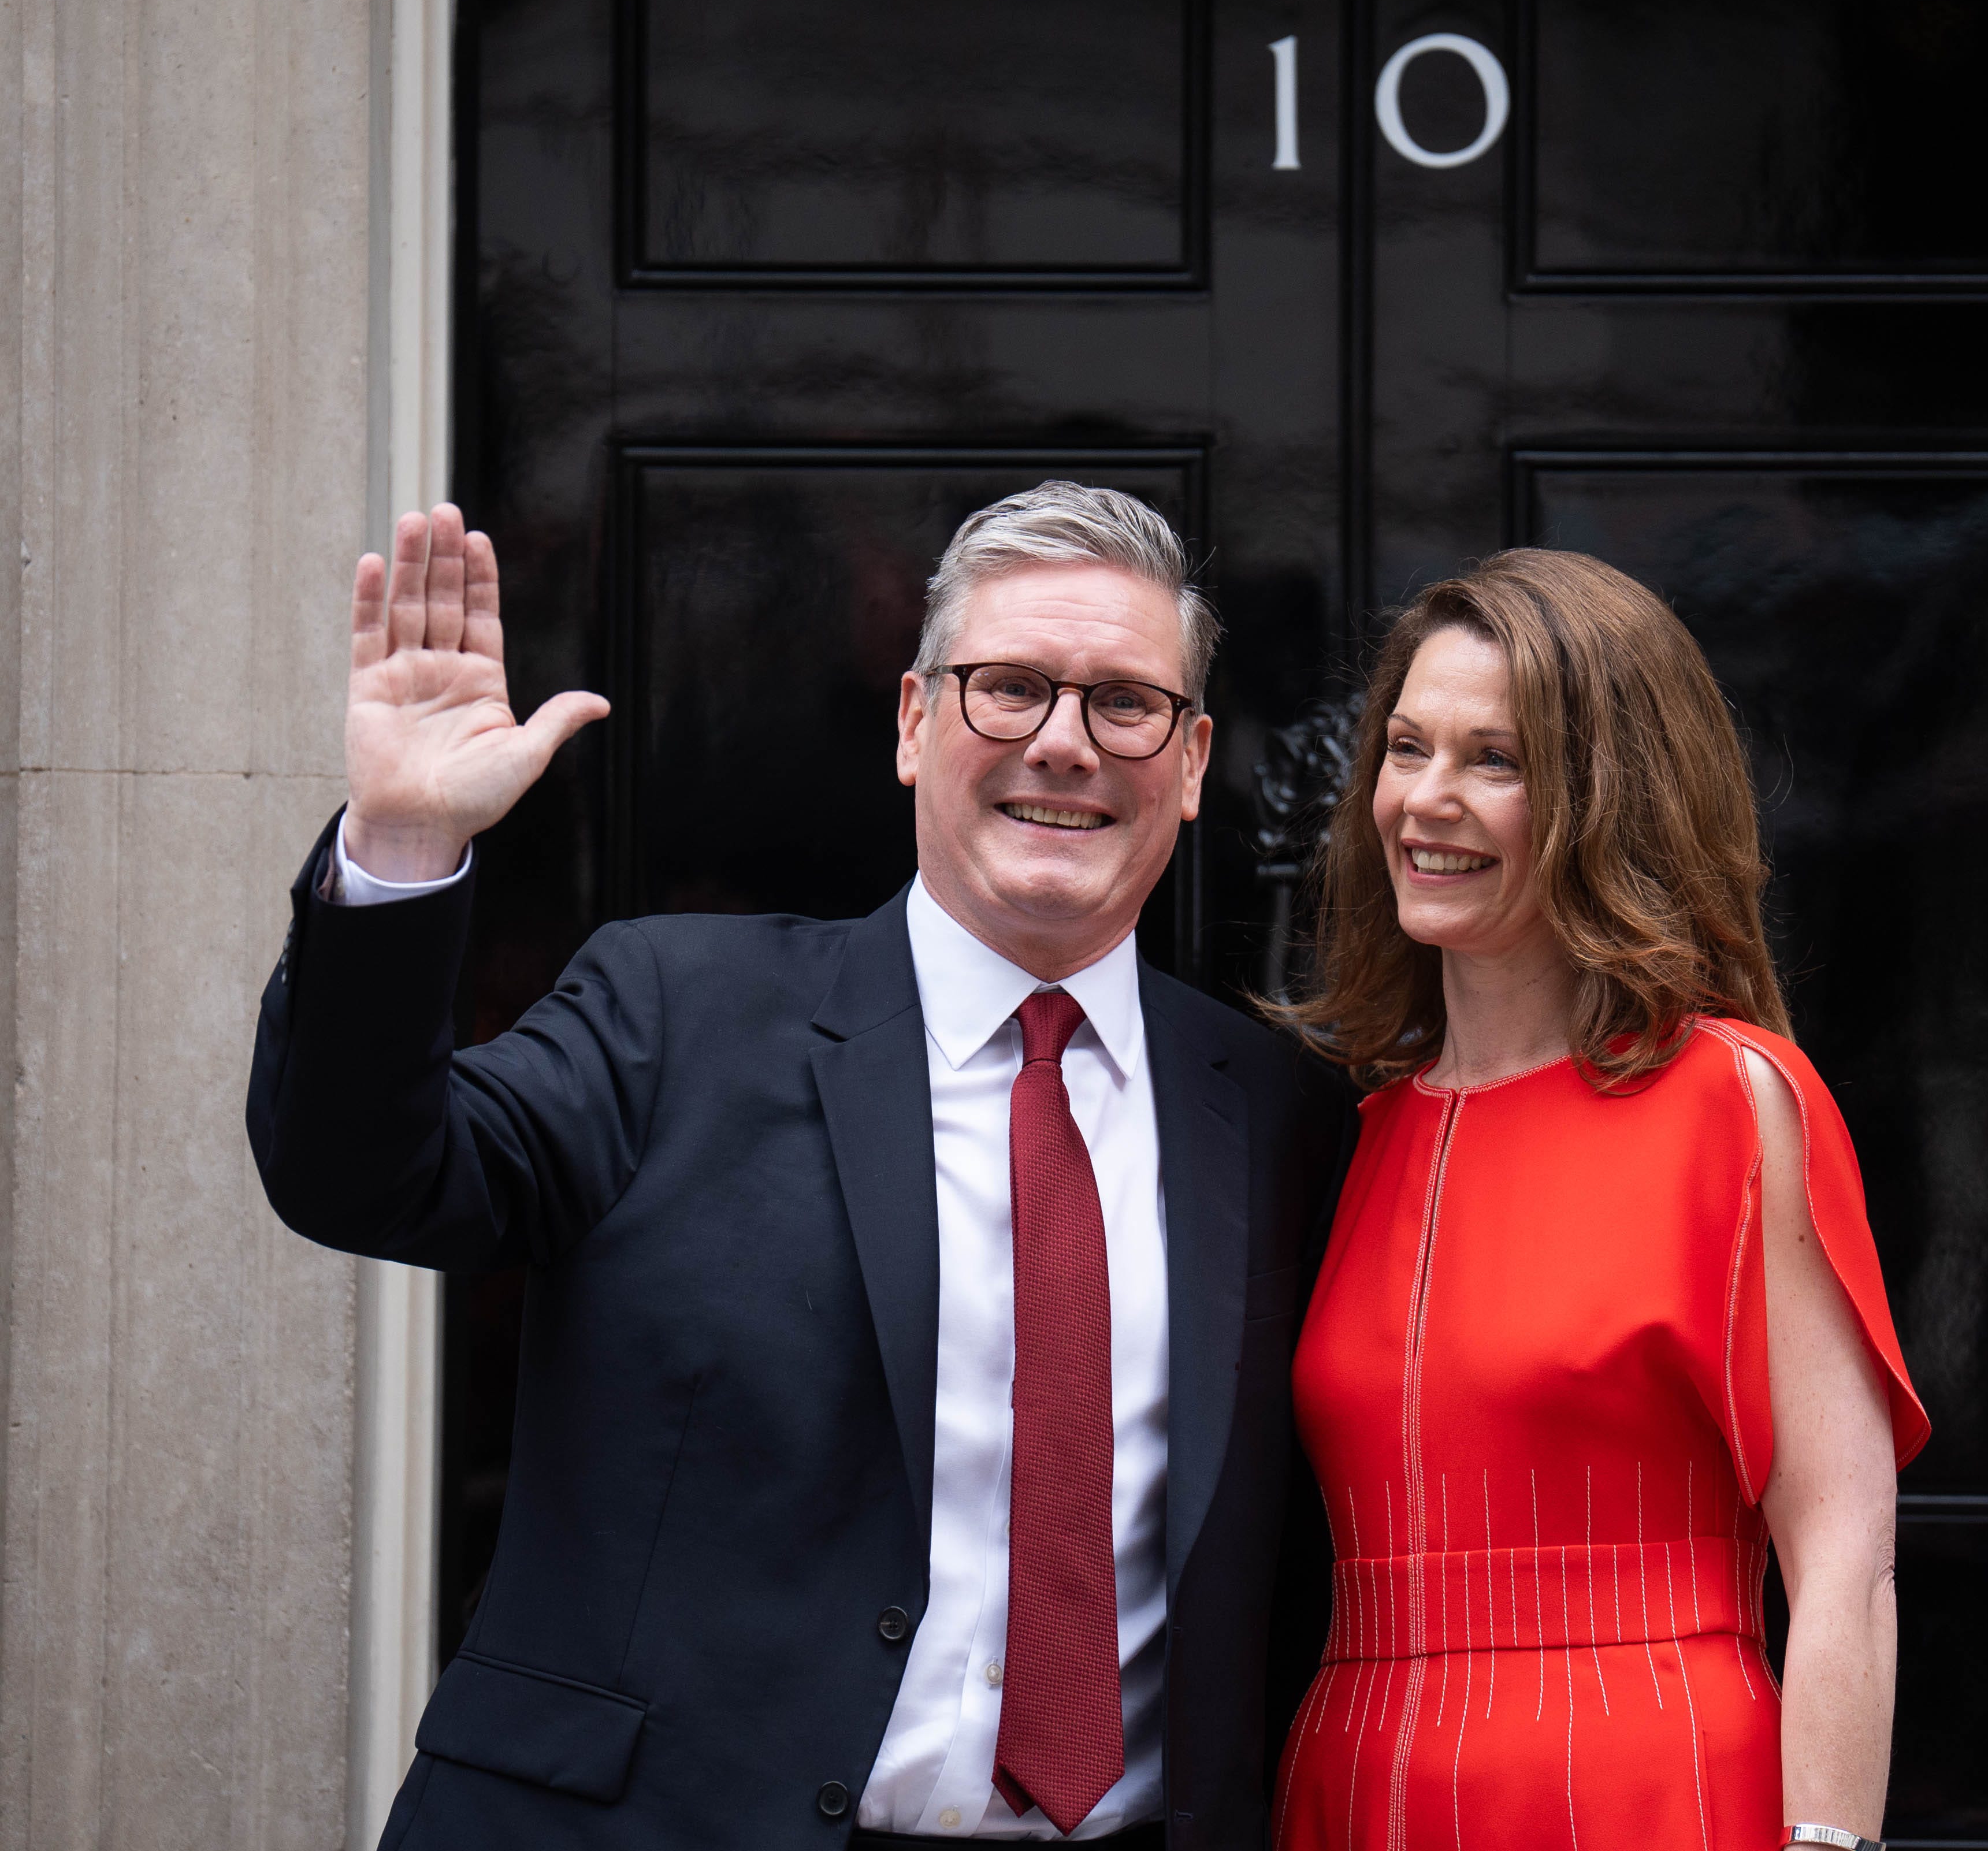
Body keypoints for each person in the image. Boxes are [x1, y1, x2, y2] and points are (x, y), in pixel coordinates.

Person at [247, 484, 1353, 1850]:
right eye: (1007, 687)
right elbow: (361, 1174)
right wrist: (407, 847)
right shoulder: (675, 1009)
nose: (1064, 744)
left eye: (1124, 704)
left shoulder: (1280, 1116)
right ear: (910, 722)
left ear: (1188, 763)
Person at [1265, 551, 1930, 1851]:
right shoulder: (1357, 1131)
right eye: (1407, 748)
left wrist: (1828, 1843)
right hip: (1358, 1786)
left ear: (1606, 796)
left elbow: (1846, 1554)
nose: (1427, 800)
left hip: (1645, 1777)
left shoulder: (1732, 1100)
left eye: (1494, 761)